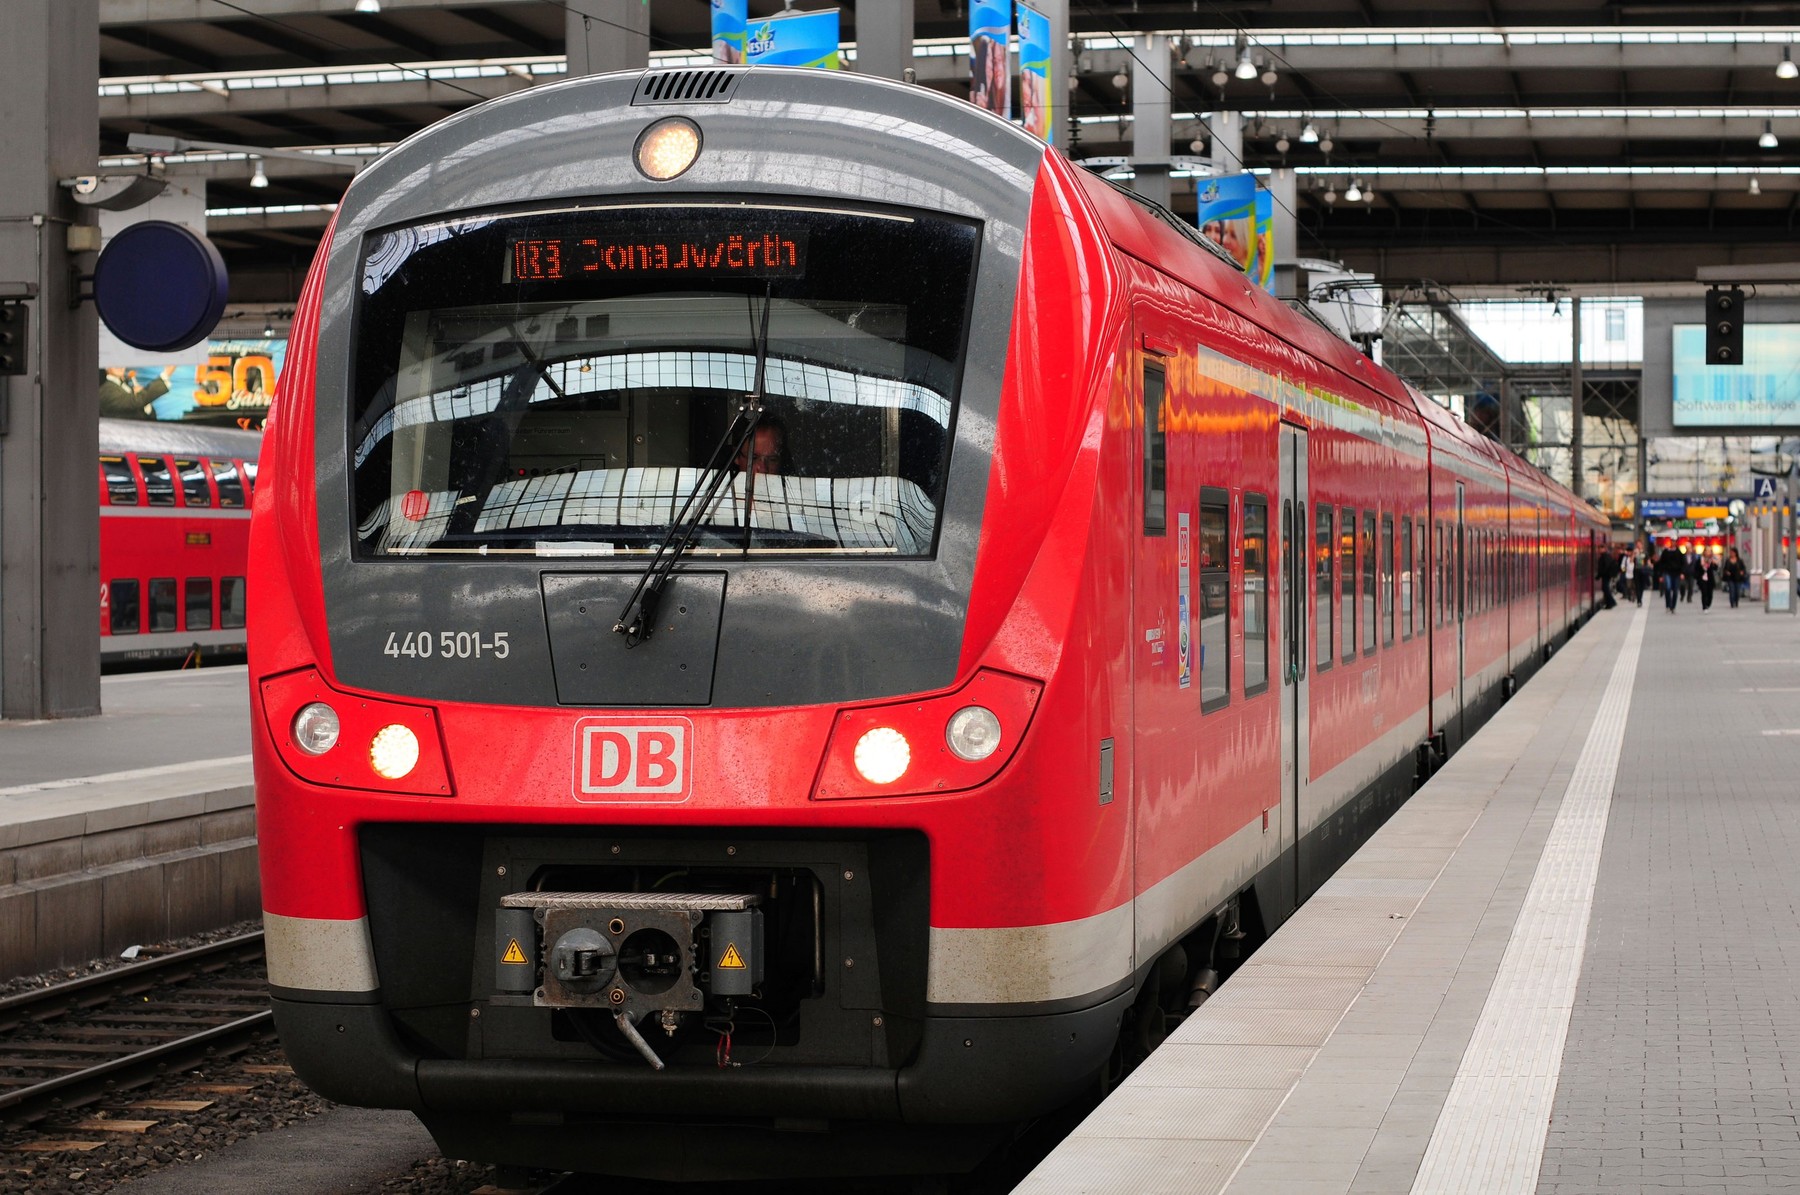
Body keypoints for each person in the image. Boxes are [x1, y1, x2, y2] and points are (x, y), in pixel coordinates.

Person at [1655, 543, 1686, 612]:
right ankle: (1668, 605)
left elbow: (1682, 563)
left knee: (1675, 590)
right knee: (1668, 588)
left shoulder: (1679, 552)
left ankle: (1673, 606)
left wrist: (1682, 573)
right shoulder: (1666, 552)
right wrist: (1660, 575)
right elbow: (1661, 563)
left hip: (1676, 573)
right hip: (1667, 572)